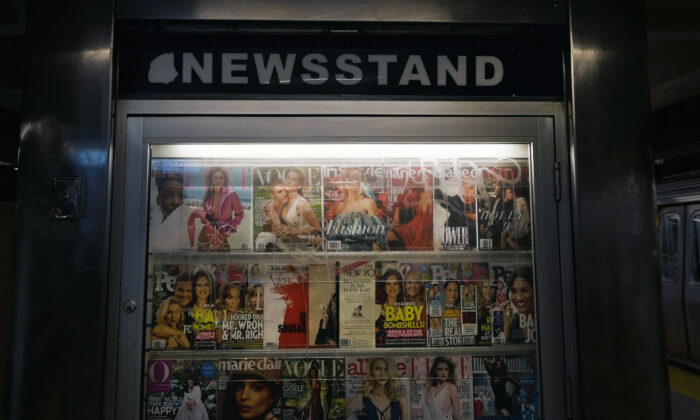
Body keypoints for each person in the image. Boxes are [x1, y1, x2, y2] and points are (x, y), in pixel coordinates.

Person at [325, 167, 386, 251]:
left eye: (355, 178)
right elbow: (336, 238)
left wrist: (375, 259)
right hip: (342, 255)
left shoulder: (368, 203)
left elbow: (377, 236)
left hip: (363, 253)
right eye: (348, 177)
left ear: (361, 183)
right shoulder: (340, 206)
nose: (350, 180)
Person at [188, 167, 244, 252]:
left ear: (224, 180)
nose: (218, 180)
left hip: (221, 232)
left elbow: (240, 214)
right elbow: (205, 216)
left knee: (223, 260)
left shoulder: (231, 195)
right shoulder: (208, 195)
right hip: (206, 230)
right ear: (211, 180)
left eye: (221, 178)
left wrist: (231, 228)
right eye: (215, 178)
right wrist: (200, 215)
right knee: (200, 260)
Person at [275, 168, 322, 250]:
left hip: (303, 247)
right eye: (288, 178)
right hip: (291, 244)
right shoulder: (285, 201)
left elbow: (317, 227)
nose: (288, 181)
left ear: (299, 185)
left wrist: (293, 232)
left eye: (293, 180)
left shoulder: (301, 204)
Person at [387, 170, 433, 250]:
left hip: (423, 228)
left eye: (427, 180)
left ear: (431, 181)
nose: (425, 182)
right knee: (388, 235)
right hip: (414, 226)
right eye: (423, 180)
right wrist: (398, 208)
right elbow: (404, 203)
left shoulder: (434, 194)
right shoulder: (418, 195)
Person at [151, 173, 184, 251]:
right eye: (168, 195)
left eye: (181, 196)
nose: (176, 202)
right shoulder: (153, 237)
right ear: (158, 200)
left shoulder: (190, 234)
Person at [502, 267, 535, 344]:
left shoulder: (544, 320)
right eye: (514, 291)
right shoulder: (511, 322)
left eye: (524, 290)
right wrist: (506, 328)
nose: (519, 297)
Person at [255, 179, 289, 251]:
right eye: (280, 192)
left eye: (285, 190)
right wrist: (272, 220)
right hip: (276, 237)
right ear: (272, 195)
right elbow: (266, 229)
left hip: (292, 237)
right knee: (262, 237)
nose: (285, 194)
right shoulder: (267, 206)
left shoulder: (291, 203)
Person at [375, 269, 403, 346]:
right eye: (388, 284)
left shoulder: (407, 307)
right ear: (384, 286)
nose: (392, 288)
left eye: (395, 284)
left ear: (400, 286)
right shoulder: (377, 306)